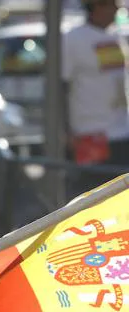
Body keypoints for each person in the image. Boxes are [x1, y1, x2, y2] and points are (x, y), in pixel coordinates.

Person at [63, 0, 129, 183]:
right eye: (112, 4)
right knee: (93, 198)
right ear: (97, 6)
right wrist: (65, 131)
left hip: (122, 132)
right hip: (90, 135)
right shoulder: (73, 39)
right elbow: (61, 87)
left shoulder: (116, 36)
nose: (118, 9)